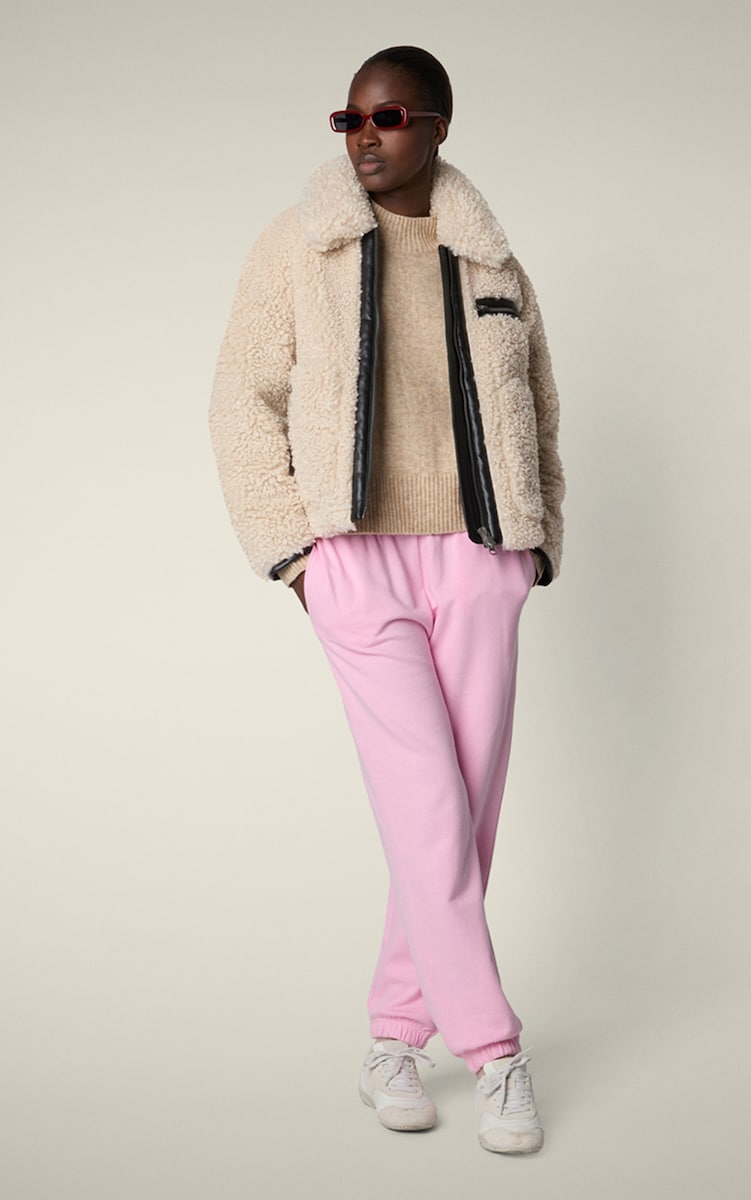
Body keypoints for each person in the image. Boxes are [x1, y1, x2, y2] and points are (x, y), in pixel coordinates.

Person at [209, 45, 564, 1155]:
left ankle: (395, 1036)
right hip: (355, 559)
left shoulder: (489, 255)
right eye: (350, 118)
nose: (364, 135)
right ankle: (495, 1051)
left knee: (466, 808)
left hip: (480, 554)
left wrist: (534, 545)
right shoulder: (298, 244)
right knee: (426, 806)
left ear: (439, 127)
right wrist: (293, 557)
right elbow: (240, 399)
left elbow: (538, 404)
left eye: (389, 116)